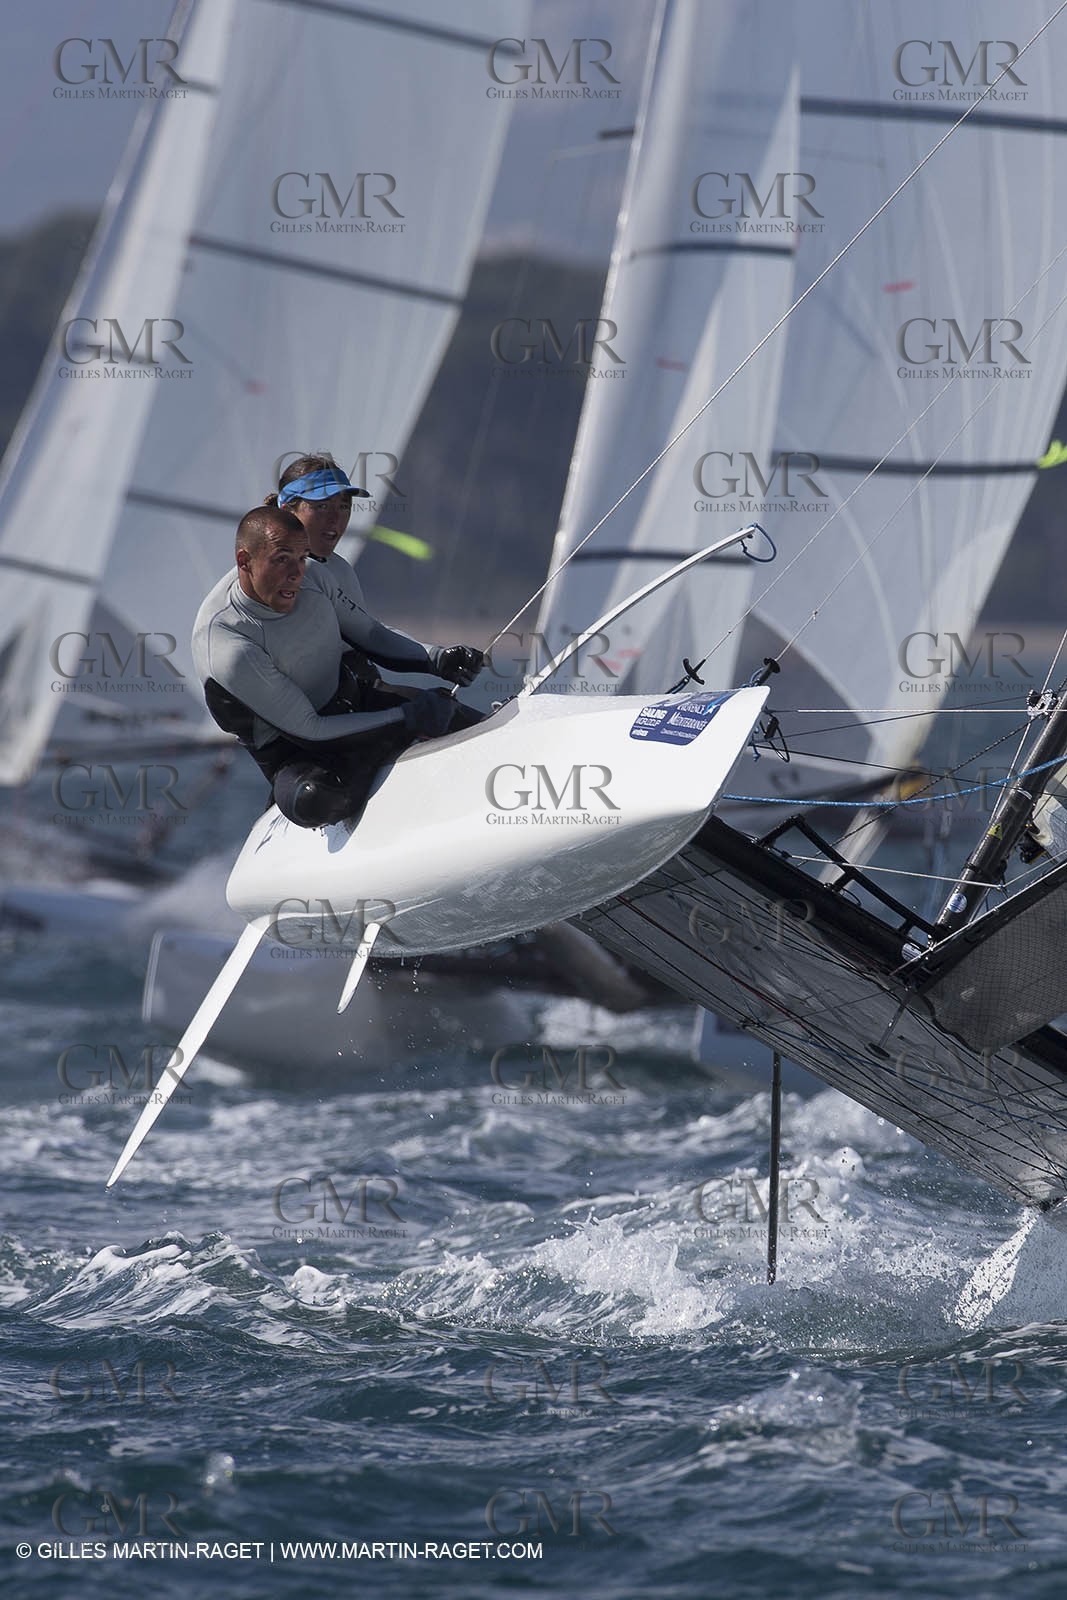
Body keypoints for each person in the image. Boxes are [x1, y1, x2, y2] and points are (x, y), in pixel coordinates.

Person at [192, 505, 482, 827]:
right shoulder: (229, 645)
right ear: (244, 562)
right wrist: (408, 719)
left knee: (464, 719)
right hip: (299, 754)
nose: (296, 573)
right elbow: (311, 731)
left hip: (358, 705)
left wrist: (437, 659)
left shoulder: (315, 577)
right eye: (281, 559)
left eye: (302, 557)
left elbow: (371, 634)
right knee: (317, 800)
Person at [266, 451, 484, 708]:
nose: (335, 518)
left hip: (352, 697)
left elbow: (367, 630)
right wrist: (436, 659)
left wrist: (439, 656)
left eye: (344, 506)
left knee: (444, 709)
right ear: (286, 509)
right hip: (314, 720)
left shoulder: (337, 568)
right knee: (447, 712)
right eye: (322, 506)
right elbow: (372, 639)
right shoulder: (290, 572)